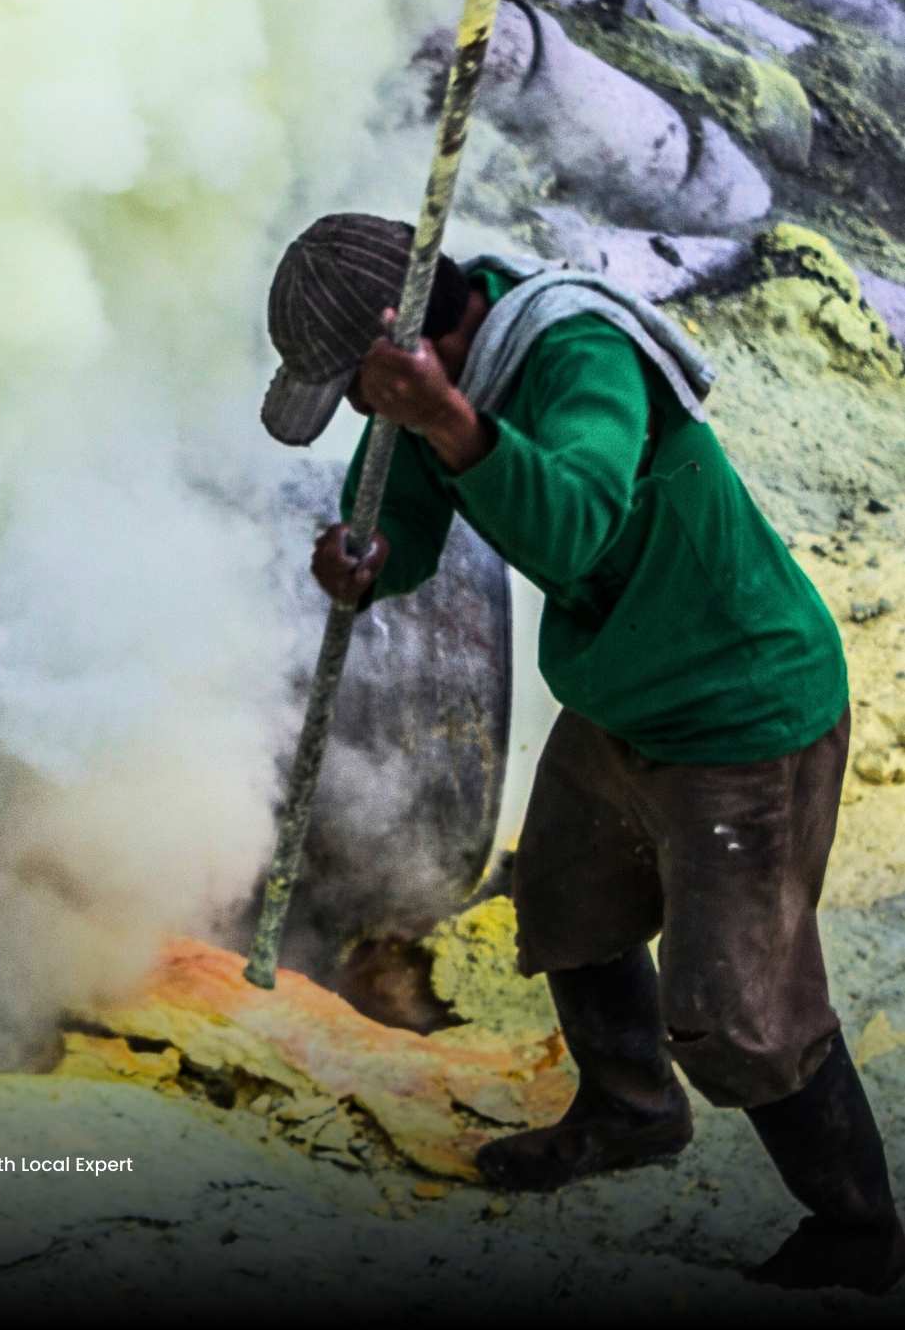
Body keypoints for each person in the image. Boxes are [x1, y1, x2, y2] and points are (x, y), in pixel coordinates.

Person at [260, 211, 905, 1296]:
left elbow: (574, 530)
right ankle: (630, 1110)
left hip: (740, 702)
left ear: (400, 349)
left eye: (360, 390)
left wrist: (452, 422)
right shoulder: (436, 390)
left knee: (736, 1012)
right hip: (623, 694)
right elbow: (405, 510)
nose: (365, 414)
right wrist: (369, 560)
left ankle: (859, 1227)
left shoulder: (574, 353)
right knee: (566, 904)